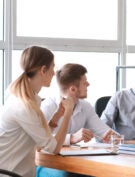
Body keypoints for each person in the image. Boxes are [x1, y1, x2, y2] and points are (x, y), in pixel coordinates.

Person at [0, 46, 75, 177]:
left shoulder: (24, 100)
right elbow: (54, 148)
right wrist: (68, 112)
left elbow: (40, 144)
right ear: (43, 70)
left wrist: (55, 119)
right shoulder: (23, 107)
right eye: (52, 67)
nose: (54, 73)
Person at [37, 63, 117, 177]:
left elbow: (104, 131)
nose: (88, 84)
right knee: (69, 175)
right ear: (73, 89)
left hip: (74, 162)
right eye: (85, 82)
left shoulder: (85, 106)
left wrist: (113, 137)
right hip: (47, 164)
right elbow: (39, 141)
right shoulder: (47, 107)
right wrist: (71, 138)